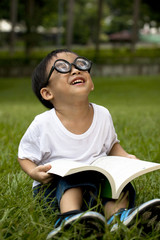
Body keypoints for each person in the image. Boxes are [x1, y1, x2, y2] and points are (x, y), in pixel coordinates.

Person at [18, 49, 160, 238]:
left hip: (95, 186)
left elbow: (111, 145)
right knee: (75, 176)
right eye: (62, 67)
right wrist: (34, 172)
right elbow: (24, 155)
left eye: (80, 64)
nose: (75, 70)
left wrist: (125, 157)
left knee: (116, 179)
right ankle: (70, 218)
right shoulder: (43, 124)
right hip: (55, 191)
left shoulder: (102, 114)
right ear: (47, 92)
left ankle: (118, 218)